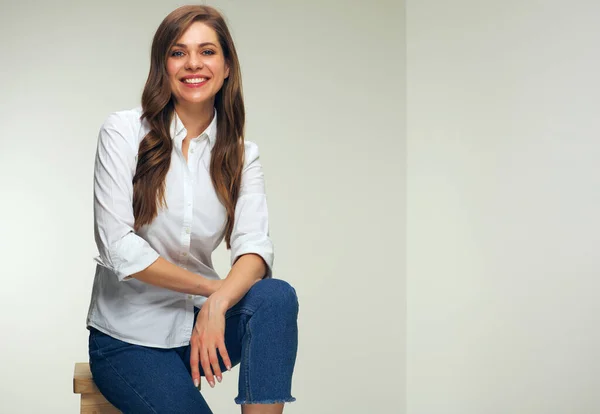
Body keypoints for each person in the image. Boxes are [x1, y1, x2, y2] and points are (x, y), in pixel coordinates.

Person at [85, 5, 299, 413]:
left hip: (203, 328)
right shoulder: (124, 132)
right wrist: (214, 291)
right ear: (162, 65)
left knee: (276, 297)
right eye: (178, 52)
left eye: (207, 51)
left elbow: (254, 248)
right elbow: (118, 248)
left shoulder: (241, 156)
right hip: (129, 341)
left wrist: (216, 306)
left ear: (227, 67)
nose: (193, 64)